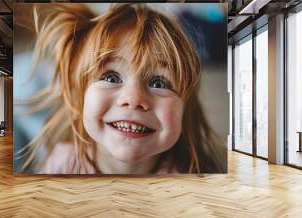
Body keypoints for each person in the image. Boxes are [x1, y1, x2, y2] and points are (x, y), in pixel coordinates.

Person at [17, 3, 226, 174]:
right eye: (111, 76)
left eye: (159, 83)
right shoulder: (62, 163)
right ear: (79, 96)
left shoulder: (189, 180)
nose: (133, 98)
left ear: (185, 110)